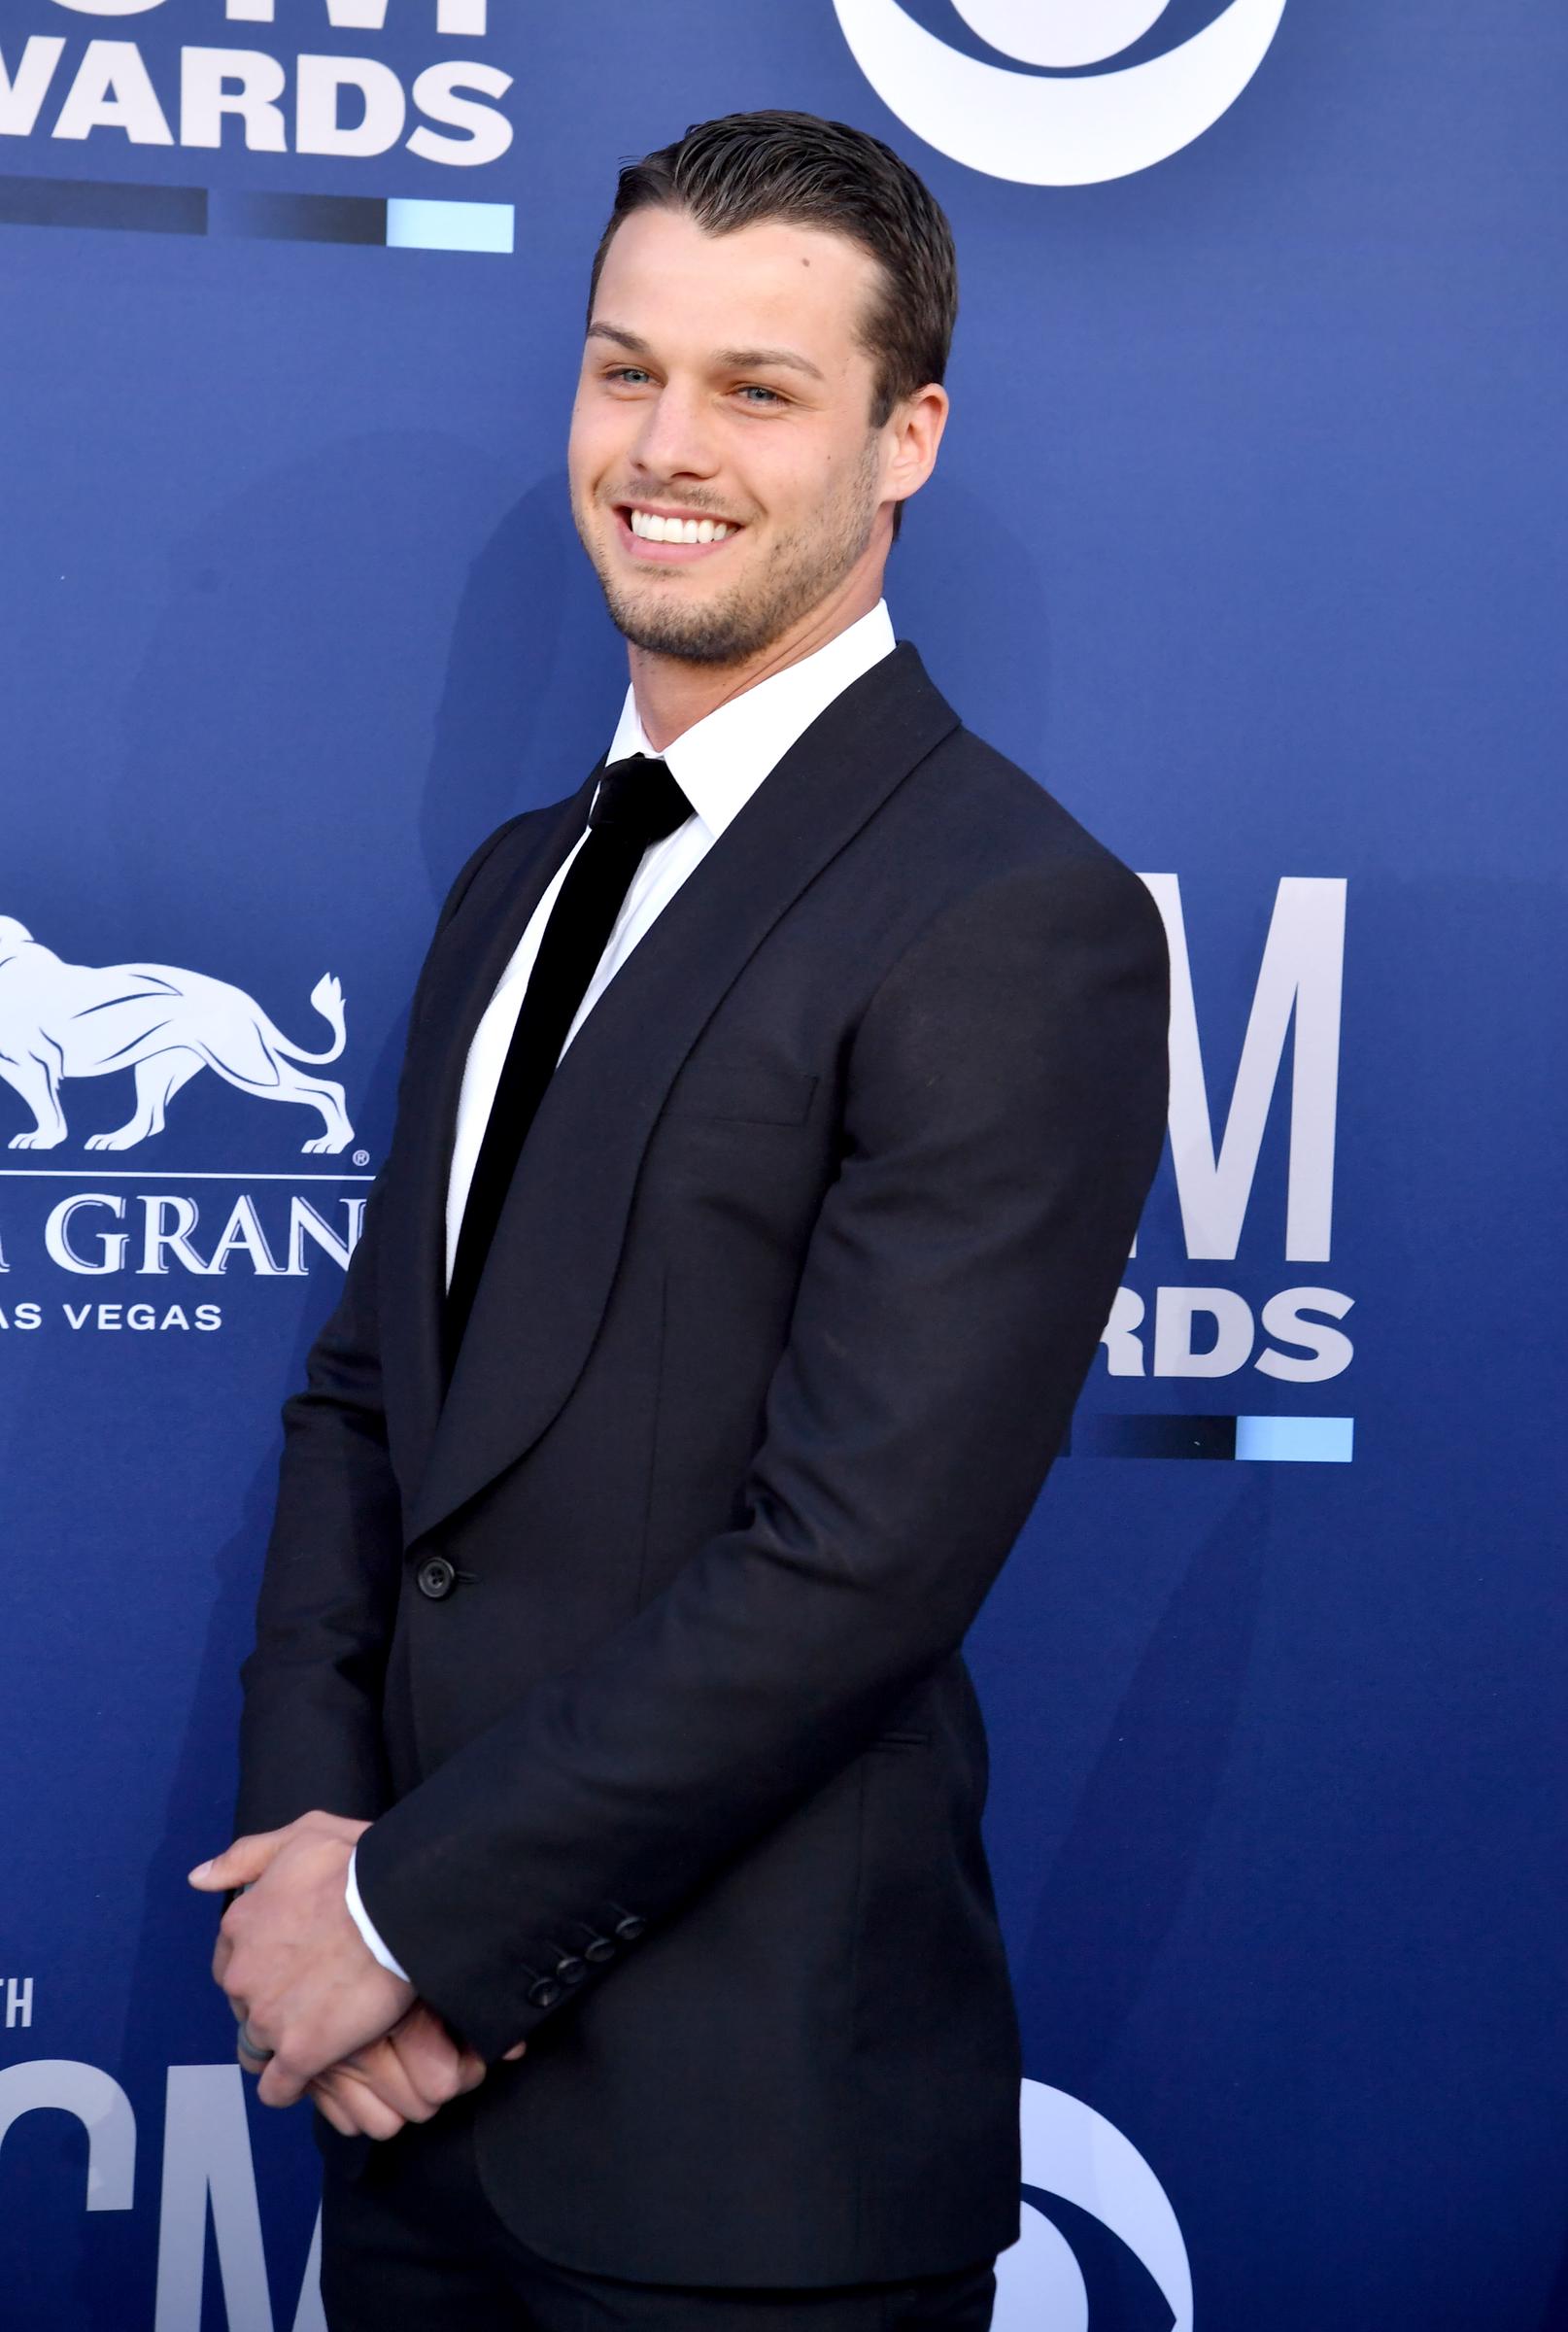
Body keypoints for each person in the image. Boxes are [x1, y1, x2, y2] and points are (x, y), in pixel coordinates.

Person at [190, 109, 1170, 2332]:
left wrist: (408, 1930)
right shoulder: (514, 881)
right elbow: (371, 1406)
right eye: (625, 369)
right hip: (400, 2127)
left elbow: (856, 1568)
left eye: (758, 387)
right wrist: (303, 1867)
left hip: (744, 2181)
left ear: (906, 434)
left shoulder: (1019, 919)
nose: (666, 445)